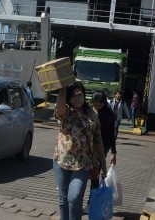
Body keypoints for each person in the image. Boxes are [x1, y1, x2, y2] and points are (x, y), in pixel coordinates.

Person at [53, 81, 107, 220]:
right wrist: (63, 87)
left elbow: (98, 139)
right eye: (73, 96)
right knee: (63, 199)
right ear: (68, 98)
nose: (77, 98)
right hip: (62, 161)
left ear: (84, 95)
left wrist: (104, 163)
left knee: (75, 197)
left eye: (80, 94)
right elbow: (59, 109)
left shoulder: (92, 114)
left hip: (83, 163)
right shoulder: (65, 111)